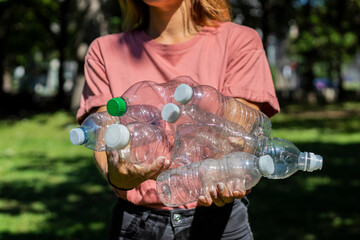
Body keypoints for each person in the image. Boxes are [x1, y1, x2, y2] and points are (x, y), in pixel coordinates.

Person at [76, 0, 280, 239]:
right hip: (137, 225)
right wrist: (119, 177)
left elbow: (241, 137)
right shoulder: (105, 50)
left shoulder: (239, 41)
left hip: (219, 221)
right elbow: (104, 144)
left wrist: (231, 172)